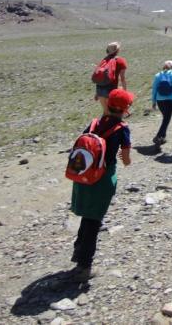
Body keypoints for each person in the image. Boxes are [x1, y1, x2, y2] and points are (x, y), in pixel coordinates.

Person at [70, 88, 133, 281]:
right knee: (94, 221)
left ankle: (78, 252)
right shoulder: (122, 129)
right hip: (103, 178)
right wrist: (125, 157)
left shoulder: (94, 123)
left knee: (87, 218)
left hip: (84, 175)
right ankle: (84, 266)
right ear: (124, 109)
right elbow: (126, 159)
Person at [93, 42, 128, 115]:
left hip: (100, 89)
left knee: (106, 112)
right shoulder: (121, 61)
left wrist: (97, 93)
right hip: (111, 90)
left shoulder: (104, 60)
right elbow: (122, 78)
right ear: (117, 51)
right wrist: (125, 92)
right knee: (113, 113)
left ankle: (102, 125)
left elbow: (99, 75)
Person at [151, 60, 172, 151]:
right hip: (170, 99)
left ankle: (162, 137)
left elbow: (154, 89)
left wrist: (154, 102)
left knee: (165, 118)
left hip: (160, 100)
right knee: (166, 119)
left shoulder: (158, 75)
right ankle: (158, 137)